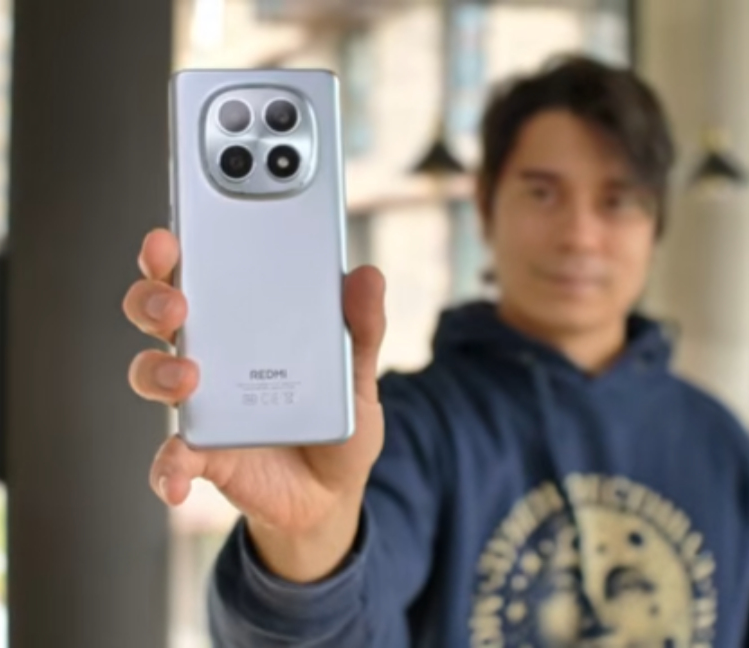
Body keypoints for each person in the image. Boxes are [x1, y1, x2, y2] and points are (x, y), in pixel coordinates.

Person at [122, 54, 749, 647]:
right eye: (543, 193)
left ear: (656, 224)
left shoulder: (718, 441)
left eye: (616, 201)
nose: (580, 235)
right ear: (484, 207)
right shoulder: (403, 428)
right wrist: (309, 535)